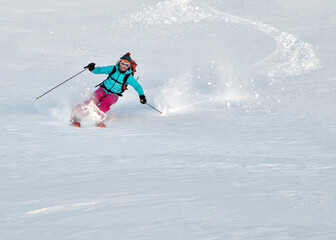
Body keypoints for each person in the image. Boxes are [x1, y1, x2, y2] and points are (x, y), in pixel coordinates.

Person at [72, 52, 147, 127]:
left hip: (114, 94)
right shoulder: (113, 69)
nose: (123, 67)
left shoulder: (128, 77)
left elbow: (137, 86)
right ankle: (76, 114)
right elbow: (100, 70)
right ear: (119, 62)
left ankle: (98, 118)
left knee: (106, 102)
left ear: (129, 67)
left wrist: (142, 96)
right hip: (103, 89)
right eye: (122, 63)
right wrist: (92, 69)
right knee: (93, 100)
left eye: (126, 65)